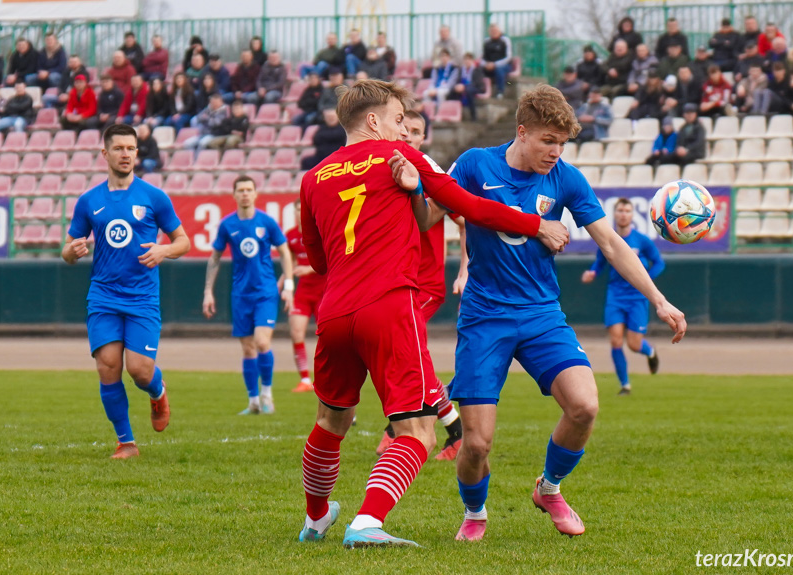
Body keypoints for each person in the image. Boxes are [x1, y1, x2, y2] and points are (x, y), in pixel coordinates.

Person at [296, 78, 569, 548]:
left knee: (331, 421)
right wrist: (536, 223)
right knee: (419, 432)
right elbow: (468, 204)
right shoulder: (400, 159)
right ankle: (366, 522)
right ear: (374, 120)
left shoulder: (311, 177)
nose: (405, 132)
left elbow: (318, 261)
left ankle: (316, 518)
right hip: (389, 305)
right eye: (399, 121)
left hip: (334, 310)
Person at [440, 84, 686, 542]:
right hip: (484, 316)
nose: (555, 152)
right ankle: (475, 512)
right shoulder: (475, 164)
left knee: (585, 407)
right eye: (547, 141)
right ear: (522, 132)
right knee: (475, 443)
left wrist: (659, 299)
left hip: (541, 314)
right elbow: (435, 210)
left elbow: (612, 243)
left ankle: (548, 488)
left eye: (562, 143)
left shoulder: (566, 179)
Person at [61, 123, 190, 459]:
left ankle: (158, 391)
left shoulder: (153, 196)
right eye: (118, 148)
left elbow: (183, 241)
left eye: (130, 149)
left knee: (139, 370)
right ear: (105, 154)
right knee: (107, 365)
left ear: (137, 152)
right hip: (103, 295)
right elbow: (67, 249)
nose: (125, 154)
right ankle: (126, 442)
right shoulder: (89, 201)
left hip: (142, 297)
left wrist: (163, 251)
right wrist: (71, 252)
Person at [374, 108, 466, 461]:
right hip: (398, 282)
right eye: (403, 128)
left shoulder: (429, 176)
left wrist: (463, 271)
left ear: (422, 137)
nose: (407, 135)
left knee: (412, 355)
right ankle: (413, 427)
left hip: (424, 284)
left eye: (414, 131)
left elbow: (465, 219)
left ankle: (452, 429)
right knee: (404, 355)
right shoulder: (388, 172)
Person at [203, 175, 293, 415]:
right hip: (241, 294)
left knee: (262, 342)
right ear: (234, 195)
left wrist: (289, 285)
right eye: (240, 190)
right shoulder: (227, 225)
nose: (244, 194)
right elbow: (214, 258)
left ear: (255, 194)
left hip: (265, 292)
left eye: (248, 190)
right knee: (247, 349)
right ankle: (253, 401)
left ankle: (267, 396)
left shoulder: (267, 222)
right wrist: (207, 292)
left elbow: (285, 252)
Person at [582, 198, 664, 395]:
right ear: (615, 214)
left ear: (632, 215)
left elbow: (659, 263)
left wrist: (645, 281)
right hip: (615, 296)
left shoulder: (641, 240)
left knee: (634, 344)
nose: (623, 214)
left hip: (637, 297)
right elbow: (600, 262)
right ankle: (625, 385)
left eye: (627, 211)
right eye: (620, 210)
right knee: (616, 341)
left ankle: (650, 352)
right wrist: (593, 272)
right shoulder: (608, 238)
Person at [283, 198, 326, 393]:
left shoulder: (320, 231)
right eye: (297, 210)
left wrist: (309, 269)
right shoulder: (290, 235)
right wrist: (283, 281)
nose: (301, 213)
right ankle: (305, 379)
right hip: (303, 291)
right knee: (296, 332)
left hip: (324, 290)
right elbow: (290, 263)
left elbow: (331, 259)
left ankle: (324, 379)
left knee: (327, 338)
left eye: (303, 210)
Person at [451, 52, 486, 121]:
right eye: (465, 59)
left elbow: (477, 83)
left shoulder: (477, 69)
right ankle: (455, 113)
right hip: (464, 87)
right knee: (452, 91)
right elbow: (458, 80)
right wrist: (457, 86)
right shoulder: (461, 70)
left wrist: (465, 86)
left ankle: (473, 115)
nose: (467, 61)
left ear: (472, 60)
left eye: (469, 59)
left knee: (469, 91)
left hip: (477, 87)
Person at [481, 23, 512, 98]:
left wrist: (495, 64)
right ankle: (480, 90)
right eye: (492, 31)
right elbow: (482, 58)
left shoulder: (505, 40)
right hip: (488, 66)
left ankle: (500, 92)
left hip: (503, 65)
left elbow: (508, 57)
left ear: (499, 31)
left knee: (499, 70)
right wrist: (485, 64)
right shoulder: (486, 42)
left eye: (495, 30)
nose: (494, 32)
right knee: (478, 70)